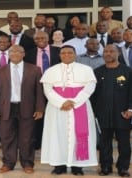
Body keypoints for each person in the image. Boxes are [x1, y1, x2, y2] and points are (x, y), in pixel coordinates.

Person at [40, 45, 98, 175]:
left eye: (70, 53)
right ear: (59, 55)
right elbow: (47, 90)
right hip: (57, 108)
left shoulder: (86, 69)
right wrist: (62, 102)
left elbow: (90, 87)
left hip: (80, 105)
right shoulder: (51, 70)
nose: (67, 55)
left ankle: (77, 166)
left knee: (79, 136)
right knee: (57, 134)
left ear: (75, 54)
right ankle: (59, 165)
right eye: (63, 53)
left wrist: (74, 101)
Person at [0, 45, 45, 174]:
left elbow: (39, 91)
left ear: (23, 53)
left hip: (27, 108)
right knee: (6, 137)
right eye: (12, 51)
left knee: (27, 138)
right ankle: (8, 163)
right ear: (8, 54)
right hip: (5, 108)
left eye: (18, 51)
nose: (14, 53)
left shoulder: (35, 70)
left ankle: (27, 163)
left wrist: (40, 108)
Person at [91, 44, 132, 177]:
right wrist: (94, 111)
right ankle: (105, 166)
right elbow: (93, 94)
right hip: (103, 113)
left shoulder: (128, 71)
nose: (108, 54)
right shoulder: (97, 72)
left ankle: (123, 167)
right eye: (105, 51)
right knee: (104, 142)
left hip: (123, 113)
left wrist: (131, 109)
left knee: (124, 142)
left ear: (119, 53)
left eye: (112, 51)